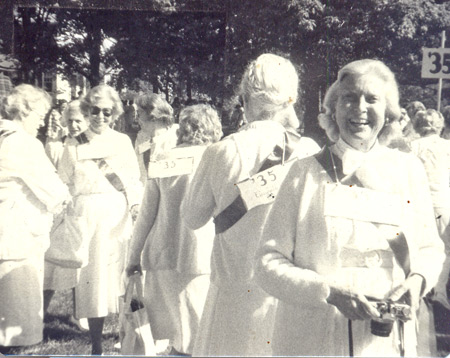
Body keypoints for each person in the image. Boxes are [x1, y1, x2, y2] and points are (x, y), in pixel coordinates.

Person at [254, 59, 445, 357]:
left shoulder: (408, 170)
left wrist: (418, 280)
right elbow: (267, 263)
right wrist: (327, 292)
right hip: (316, 338)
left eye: (372, 99)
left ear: (389, 111)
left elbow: (431, 248)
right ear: (332, 109)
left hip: (386, 342)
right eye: (349, 97)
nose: (360, 108)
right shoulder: (303, 173)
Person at [181, 53, 320, 356]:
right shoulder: (310, 151)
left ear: (243, 98)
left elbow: (191, 218)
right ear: (290, 98)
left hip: (231, 298)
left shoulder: (220, 151)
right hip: (287, 298)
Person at [126, 104, 222, 356]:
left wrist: (133, 257)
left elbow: (146, 214)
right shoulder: (215, 158)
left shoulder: (162, 158)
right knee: (199, 336)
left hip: (162, 256)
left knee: (178, 337)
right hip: (200, 257)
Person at [58, 84, 143, 355]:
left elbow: (133, 181)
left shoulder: (122, 142)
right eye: (95, 111)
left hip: (116, 215)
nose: (101, 117)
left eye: (107, 112)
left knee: (119, 278)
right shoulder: (72, 144)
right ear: (86, 110)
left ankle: (124, 336)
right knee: (92, 282)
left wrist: (136, 206)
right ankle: (96, 345)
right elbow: (62, 183)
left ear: (116, 113)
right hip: (87, 216)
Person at [0, 84, 70, 352]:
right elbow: (54, 192)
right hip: (19, 237)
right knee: (20, 328)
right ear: (25, 109)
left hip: (6, 234)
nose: (43, 121)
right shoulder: (23, 142)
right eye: (40, 113)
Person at [43, 99, 90, 331]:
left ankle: (79, 312)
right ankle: (39, 309)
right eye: (69, 121)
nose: (73, 125)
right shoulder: (64, 144)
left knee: (80, 263)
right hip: (65, 207)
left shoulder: (91, 144)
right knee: (53, 260)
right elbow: (60, 179)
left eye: (78, 121)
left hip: (84, 209)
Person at [410, 109, 450, 310]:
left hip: (419, 202)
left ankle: (419, 286)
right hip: (443, 202)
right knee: (446, 248)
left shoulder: (412, 146)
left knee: (419, 246)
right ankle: (439, 290)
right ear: (439, 125)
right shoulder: (447, 146)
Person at [134, 93, 178, 183]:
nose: (136, 119)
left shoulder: (175, 136)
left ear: (153, 115)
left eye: (139, 113)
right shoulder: (141, 137)